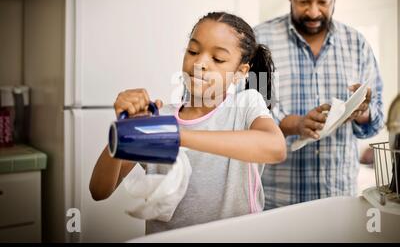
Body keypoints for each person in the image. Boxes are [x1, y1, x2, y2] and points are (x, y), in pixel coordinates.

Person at [89, 12, 286, 234]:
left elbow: (275, 147)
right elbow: (99, 190)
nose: (200, 63)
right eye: (193, 51)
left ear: (241, 72)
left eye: (218, 59)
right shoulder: (159, 118)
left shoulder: (246, 105)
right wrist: (124, 130)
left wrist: (175, 136)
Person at [254, 0, 384, 208]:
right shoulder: (260, 41)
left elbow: (376, 122)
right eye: (303, 0)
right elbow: (250, 111)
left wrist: (363, 111)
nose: (313, 12)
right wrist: (296, 124)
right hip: (278, 201)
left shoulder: (356, 44)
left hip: (339, 199)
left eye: (323, 1)